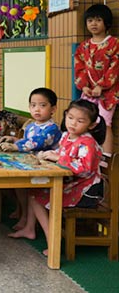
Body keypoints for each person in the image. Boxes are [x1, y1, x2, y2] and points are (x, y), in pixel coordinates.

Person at [8, 100, 104, 255]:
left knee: (36, 196)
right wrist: (48, 156)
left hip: (86, 191)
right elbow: (61, 154)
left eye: (80, 121)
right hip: (72, 183)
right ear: (65, 115)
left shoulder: (87, 142)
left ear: (91, 125)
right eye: (70, 117)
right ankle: (30, 229)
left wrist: (57, 158)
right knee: (34, 192)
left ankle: (53, 240)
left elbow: (84, 169)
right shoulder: (66, 136)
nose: (73, 123)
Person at [0, 87, 62, 228]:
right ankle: (23, 214)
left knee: (27, 189)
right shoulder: (31, 126)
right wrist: (13, 139)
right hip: (30, 165)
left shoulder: (52, 128)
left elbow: (37, 142)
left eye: (42, 105)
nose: (37, 109)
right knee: (19, 186)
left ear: (53, 109)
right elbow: (27, 141)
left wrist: (16, 147)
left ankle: (26, 220)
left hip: (46, 168)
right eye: (33, 105)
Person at [74, 3, 119, 155]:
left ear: (106, 22)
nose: (93, 23)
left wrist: (102, 85)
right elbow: (79, 67)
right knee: (84, 121)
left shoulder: (114, 43)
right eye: (90, 20)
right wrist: (84, 86)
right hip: (88, 91)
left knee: (105, 123)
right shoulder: (84, 46)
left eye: (98, 20)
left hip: (108, 93)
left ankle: (106, 158)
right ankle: (87, 153)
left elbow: (115, 66)